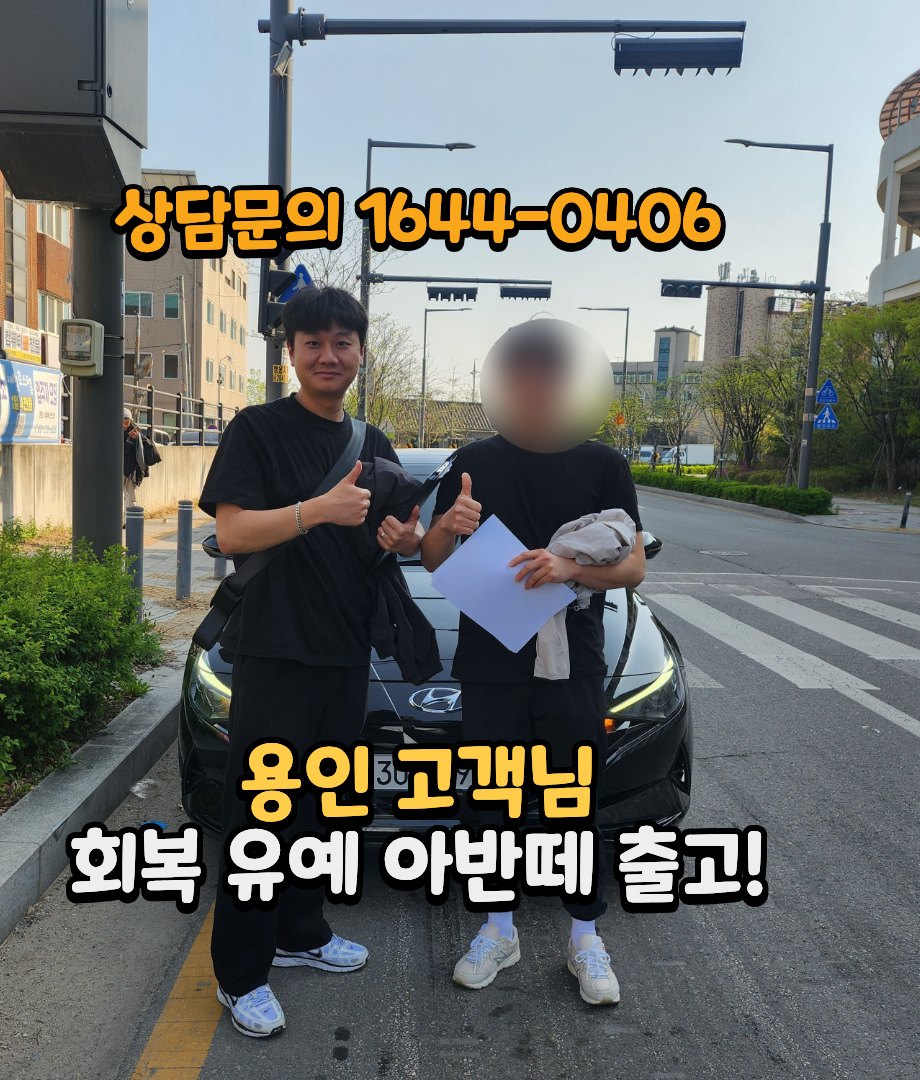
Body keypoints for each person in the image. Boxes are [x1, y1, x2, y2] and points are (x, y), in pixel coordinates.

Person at [198, 286, 424, 1039]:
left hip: (343, 652)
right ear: (290, 352)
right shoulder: (256, 429)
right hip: (274, 650)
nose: (329, 356)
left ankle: (301, 931)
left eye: (342, 343)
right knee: (261, 812)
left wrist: (403, 540)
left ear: (360, 352)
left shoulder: (373, 439)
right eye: (313, 343)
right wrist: (314, 511)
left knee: (321, 807)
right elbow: (232, 534)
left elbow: (396, 538)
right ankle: (240, 974)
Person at [420, 320, 646, 1006]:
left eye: (548, 375)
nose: (535, 386)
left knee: (572, 800)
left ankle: (585, 938)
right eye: (522, 375)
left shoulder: (603, 465)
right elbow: (433, 560)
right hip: (491, 658)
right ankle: (498, 929)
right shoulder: (473, 460)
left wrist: (569, 566)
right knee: (493, 801)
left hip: (572, 662)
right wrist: (446, 527)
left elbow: (633, 567)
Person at [122, 408, 160, 523]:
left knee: (131, 496)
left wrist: (137, 439)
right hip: (117, 469)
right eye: (123, 422)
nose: (125, 425)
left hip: (131, 470)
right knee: (117, 497)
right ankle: (119, 520)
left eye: (127, 422)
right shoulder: (112, 432)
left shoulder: (136, 433)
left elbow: (149, 447)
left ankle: (130, 521)